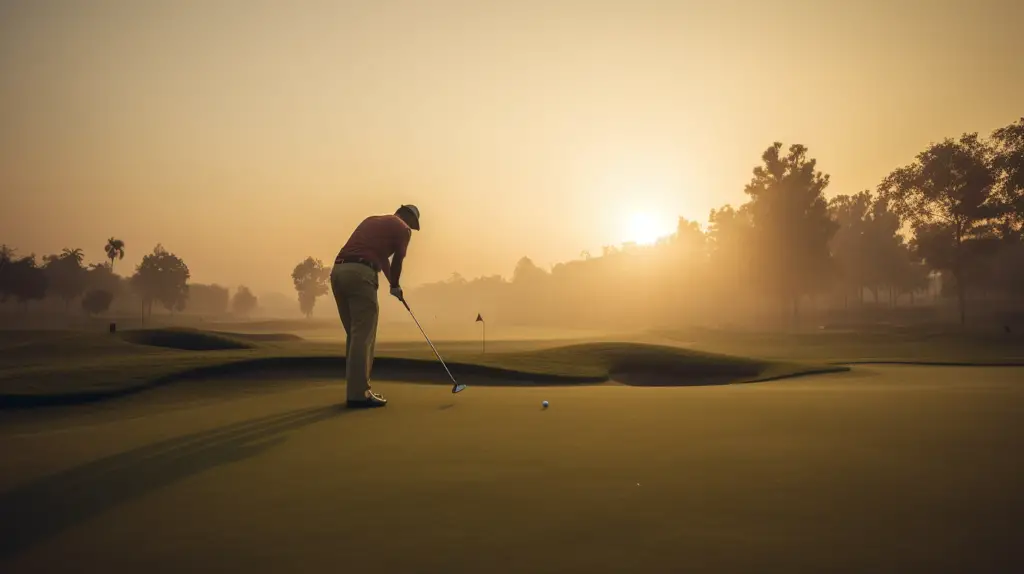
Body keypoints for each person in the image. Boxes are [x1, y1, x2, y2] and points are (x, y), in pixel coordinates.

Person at [330, 204, 420, 408]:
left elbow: (382, 259)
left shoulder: (373, 220)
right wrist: (396, 284)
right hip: (361, 274)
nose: (412, 229)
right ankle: (359, 394)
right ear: (408, 218)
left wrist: (393, 285)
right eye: (413, 224)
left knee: (355, 336)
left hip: (338, 273)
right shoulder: (402, 228)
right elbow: (398, 260)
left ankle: (355, 391)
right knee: (363, 336)